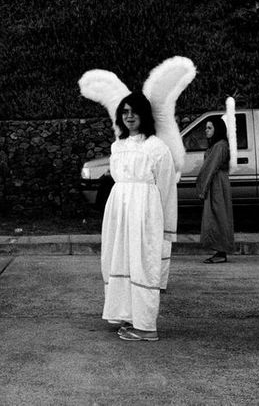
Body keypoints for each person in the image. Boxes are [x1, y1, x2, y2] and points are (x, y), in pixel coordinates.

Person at [100, 93, 177, 341]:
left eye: (134, 111)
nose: (129, 116)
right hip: (119, 212)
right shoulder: (118, 146)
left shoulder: (156, 147)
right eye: (125, 112)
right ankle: (127, 314)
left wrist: (167, 228)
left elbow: (167, 188)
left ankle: (146, 327)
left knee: (142, 264)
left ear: (144, 114)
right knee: (120, 260)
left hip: (145, 212)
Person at [196, 116, 234, 264]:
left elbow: (210, 167)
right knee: (215, 215)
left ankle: (221, 252)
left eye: (210, 128)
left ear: (217, 129)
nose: (206, 130)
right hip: (215, 182)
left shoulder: (220, 146)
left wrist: (202, 188)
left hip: (217, 183)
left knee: (219, 215)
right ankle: (219, 251)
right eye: (206, 128)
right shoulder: (217, 145)